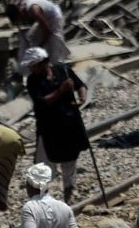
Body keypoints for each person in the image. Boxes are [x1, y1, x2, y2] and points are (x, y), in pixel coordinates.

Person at [26, 48, 91, 203]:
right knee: (44, 163)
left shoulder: (63, 70)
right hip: (48, 126)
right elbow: (41, 101)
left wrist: (82, 98)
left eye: (33, 65)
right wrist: (60, 90)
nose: (31, 69)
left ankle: (69, 193)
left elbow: (80, 85)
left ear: (44, 63)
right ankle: (41, 196)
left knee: (70, 159)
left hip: (68, 123)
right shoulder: (33, 81)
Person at [22, 0, 70, 77]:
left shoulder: (34, 10)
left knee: (55, 42)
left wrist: (40, 46)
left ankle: (59, 63)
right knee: (31, 36)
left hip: (55, 17)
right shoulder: (24, 4)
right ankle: (39, 58)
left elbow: (48, 32)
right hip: (46, 17)